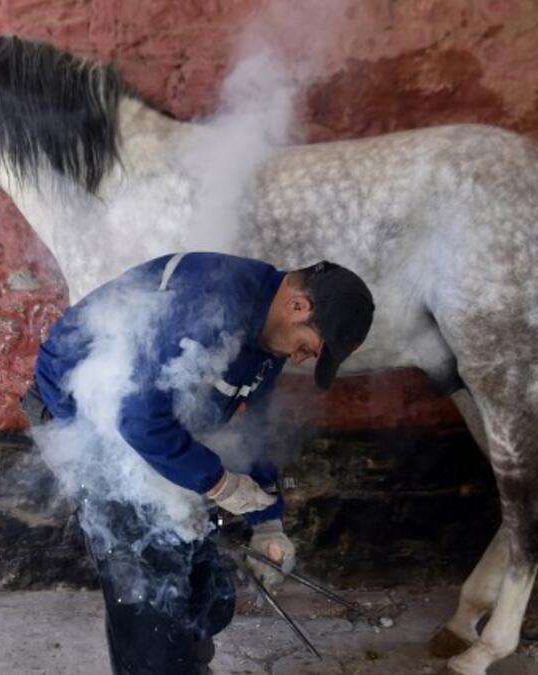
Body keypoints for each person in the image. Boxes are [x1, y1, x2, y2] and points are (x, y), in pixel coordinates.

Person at [20, 252, 374, 674]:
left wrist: (268, 521)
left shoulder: (268, 335)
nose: (300, 359)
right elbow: (137, 420)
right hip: (89, 420)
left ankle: (186, 662)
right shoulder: (209, 303)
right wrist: (220, 484)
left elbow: (251, 424)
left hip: (154, 429)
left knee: (207, 593)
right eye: (308, 348)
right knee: (149, 591)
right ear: (299, 306)